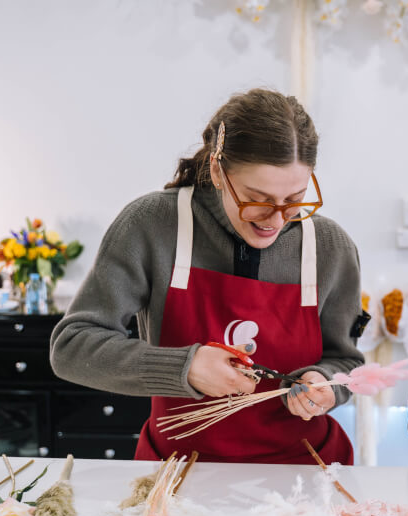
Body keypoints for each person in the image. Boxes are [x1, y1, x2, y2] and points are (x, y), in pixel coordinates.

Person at [51, 88, 364, 464]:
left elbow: (347, 363)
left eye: (295, 200)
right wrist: (184, 368)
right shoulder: (152, 226)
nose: (277, 219)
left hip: (307, 471)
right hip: (180, 473)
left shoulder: (329, 246)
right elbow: (72, 348)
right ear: (217, 169)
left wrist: (326, 385)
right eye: (257, 199)